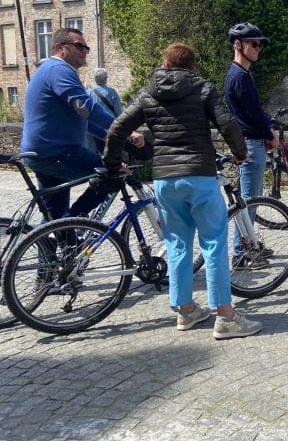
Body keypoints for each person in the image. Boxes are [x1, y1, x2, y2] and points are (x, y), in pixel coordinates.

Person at [103, 43, 261, 339]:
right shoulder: (202, 88)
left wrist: (113, 163)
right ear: (192, 66)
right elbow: (226, 123)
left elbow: (117, 128)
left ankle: (185, 310)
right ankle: (226, 317)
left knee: (177, 244)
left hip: (165, 178)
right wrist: (240, 153)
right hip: (199, 174)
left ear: (164, 62)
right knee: (213, 242)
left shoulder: (149, 92)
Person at [21, 27, 143, 219]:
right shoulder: (59, 69)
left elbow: (81, 119)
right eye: (79, 46)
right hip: (57, 152)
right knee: (113, 173)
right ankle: (76, 222)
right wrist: (125, 130)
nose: (84, 51)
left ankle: (60, 237)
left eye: (86, 48)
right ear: (60, 48)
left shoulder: (50, 70)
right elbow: (86, 107)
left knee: (55, 218)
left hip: (43, 152)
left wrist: (109, 134)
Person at [223, 22, 278, 202]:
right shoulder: (240, 76)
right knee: (250, 201)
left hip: (250, 142)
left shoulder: (240, 73)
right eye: (254, 44)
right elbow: (253, 113)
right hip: (252, 144)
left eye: (260, 44)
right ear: (238, 44)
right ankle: (245, 232)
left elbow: (254, 108)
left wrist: (268, 124)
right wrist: (270, 135)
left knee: (249, 200)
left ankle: (247, 231)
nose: (258, 48)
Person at [84, 68, 124, 153]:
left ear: (95, 79)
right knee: (109, 152)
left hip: (93, 128)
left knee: (93, 152)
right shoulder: (112, 92)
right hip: (109, 127)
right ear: (106, 78)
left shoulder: (88, 92)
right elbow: (119, 111)